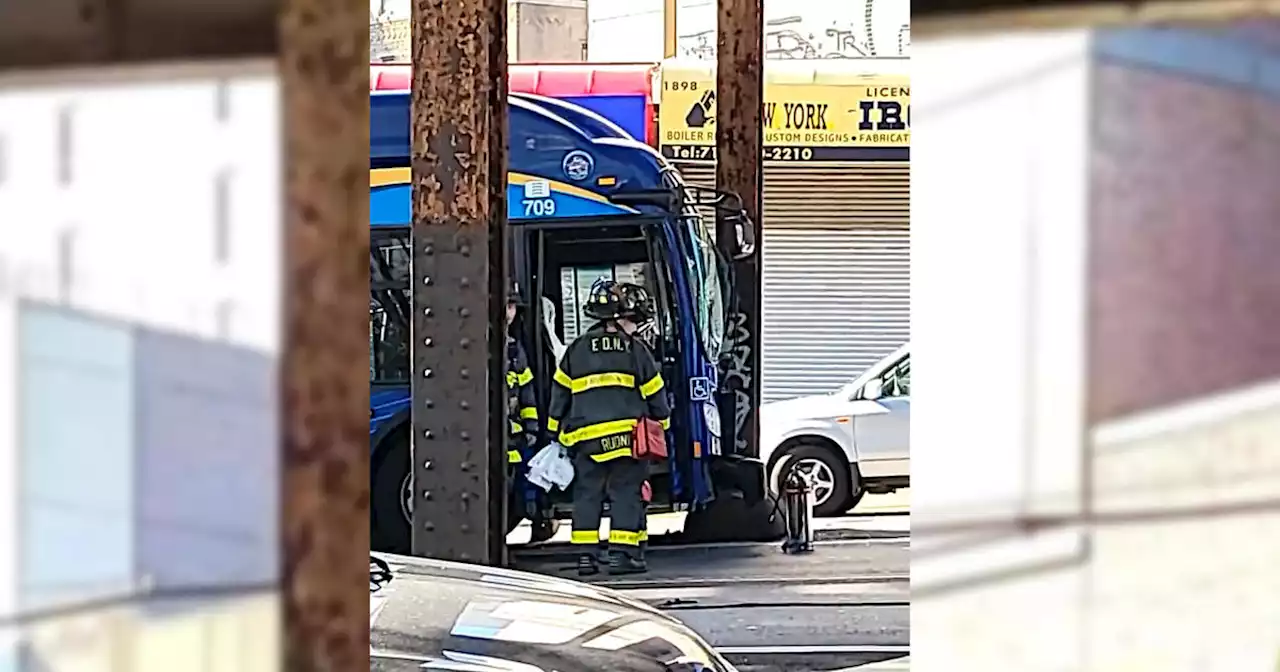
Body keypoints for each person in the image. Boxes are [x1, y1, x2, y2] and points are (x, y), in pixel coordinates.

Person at [548, 279, 671, 576]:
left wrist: (553, 431)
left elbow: (559, 394)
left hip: (585, 440)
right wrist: (663, 424)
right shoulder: (634, 349)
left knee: (587, 496)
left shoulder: (576, 350)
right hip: (625, 439)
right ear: (619, 316)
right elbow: (655, 392)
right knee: (625, 494)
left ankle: (586, 558)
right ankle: (622, 555)